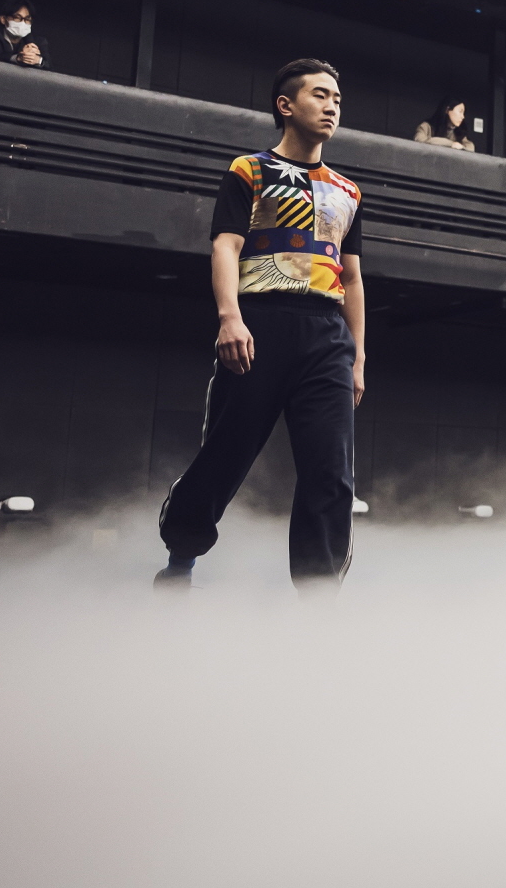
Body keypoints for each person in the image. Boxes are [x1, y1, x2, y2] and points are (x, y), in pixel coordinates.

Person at [156, 58, 366, 589]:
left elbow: (352, 277)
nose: (332, 106)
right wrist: (230, 317)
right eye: (320, 95)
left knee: (331, 473)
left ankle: (318, 600)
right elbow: (226, 247)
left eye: (337, 98)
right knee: (225, 456)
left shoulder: (348, 191)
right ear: (285, 105)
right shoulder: (248, 170)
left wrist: (358, 356)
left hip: (328, 335)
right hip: (260, 325)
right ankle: (181, 557)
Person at [0, 0, 47, 69]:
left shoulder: (38, 42)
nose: (23, 23)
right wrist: (17, 58)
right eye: (17, 18)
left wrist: (38, 60)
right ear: (3, 19)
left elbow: (48, 65)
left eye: (27, 19)